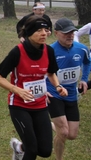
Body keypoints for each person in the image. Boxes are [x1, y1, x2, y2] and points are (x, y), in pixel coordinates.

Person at [0, 15, 68, 160]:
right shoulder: (17, 52)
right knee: (32, 149)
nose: (43, 33)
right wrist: (17, 90)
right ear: (29, 33)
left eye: (45, 30)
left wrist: (58, 86)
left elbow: (51, 73)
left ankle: (18, 147)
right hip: (19, 105)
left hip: (40, 104)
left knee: (45, 151)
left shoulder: (49, 51)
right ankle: (24, 149)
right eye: (38, 30)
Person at [47, 18, 90, 160]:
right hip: (54, 94)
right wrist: (44, 91)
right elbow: (41, 72)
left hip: (71, 95)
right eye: (66, 33)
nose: (70, 35)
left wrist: (84, 79)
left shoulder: (81, 48)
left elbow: (87, 62)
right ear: (56, 33)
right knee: (64, 132)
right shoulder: (50, 51)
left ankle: (48, 124)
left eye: (72, 32)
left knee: (72, 134)